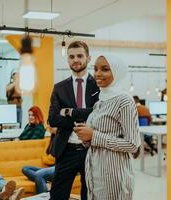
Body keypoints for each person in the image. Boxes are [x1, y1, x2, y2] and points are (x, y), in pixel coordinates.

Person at [74, 54, 141, 200]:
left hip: (114, 176)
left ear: (116, 72)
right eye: (96, 69)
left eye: (105, 69)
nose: (98, 74)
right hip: (94, 172)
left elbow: (133, 144)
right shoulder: (100, 102)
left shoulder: (124, 101)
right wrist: (85, 136)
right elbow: (95, 137)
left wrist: (94, 135)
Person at [48, 41, 99, 200]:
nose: (75, 60)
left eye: (79, 56)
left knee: (88, 195)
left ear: (88, 58)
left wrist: (70, 112)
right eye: (71, 56)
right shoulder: (59, 88)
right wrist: (81, 120)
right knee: (57, 196)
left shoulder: (99, 86)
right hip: (66, 150)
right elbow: (53, 119)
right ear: (68, 59)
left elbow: (99, 113)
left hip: (92, 150)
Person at [22, 127, 56, 194]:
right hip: (48, 168)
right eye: (50, 125)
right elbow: (45, 155)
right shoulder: (49, 140)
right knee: (25, 169)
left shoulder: (61, 138)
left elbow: (53, 159)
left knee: (39, 174)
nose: (50, 127)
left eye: (53, 125)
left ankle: (43, 183)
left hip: (56, 167)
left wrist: (47, 158)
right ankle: (46, 183)